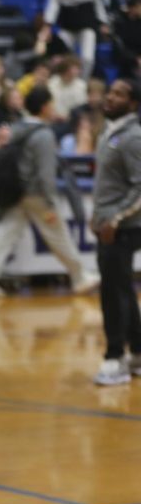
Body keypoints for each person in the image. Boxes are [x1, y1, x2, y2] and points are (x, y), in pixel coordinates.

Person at [0, 86, 101, 298]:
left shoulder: (14, 128)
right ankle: (80, 277)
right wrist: (51, 202)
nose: (53, 108)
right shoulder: (44, 134)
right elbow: (45, 173)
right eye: (51, 104)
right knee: (58, 235)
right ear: (44, 107)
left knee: (5, 233)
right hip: (36, 196)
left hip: (16, 193)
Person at [90, 79, 141, 385]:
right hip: (109, 224)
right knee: (120, 288)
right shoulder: (110, 132)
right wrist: (98, 216)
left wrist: (115, 219)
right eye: (110, 91)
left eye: (119, 93)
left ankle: (114, 357)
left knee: (112, 293)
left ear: (133, 103)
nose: (110, 96)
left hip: (123, 228)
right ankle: (137, 352)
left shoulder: (133, 137)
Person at [44, 0, 110, 75]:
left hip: (86, 27)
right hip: (67, 28)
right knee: (60, 55)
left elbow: (98, 4)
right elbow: (52, 8)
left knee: (87, 58)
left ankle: (83, 81)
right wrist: (48, 26)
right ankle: (60, 77)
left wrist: (103, 22)